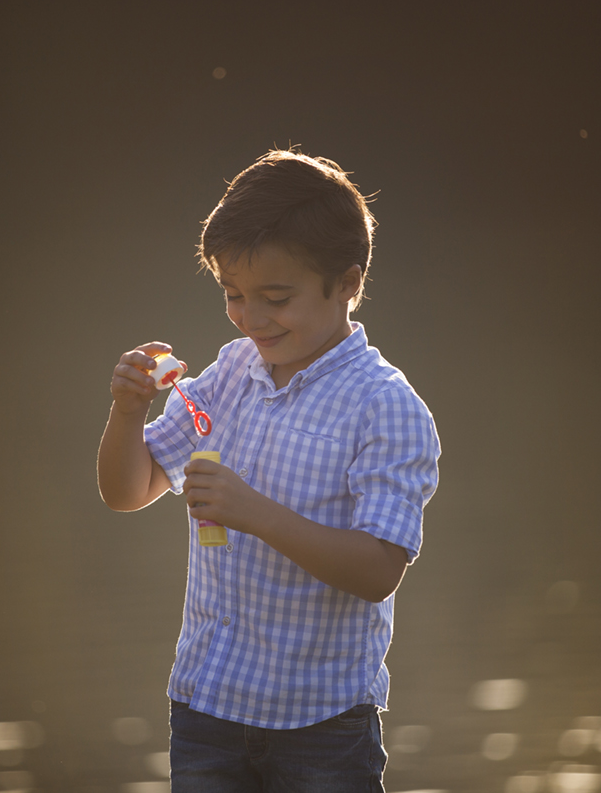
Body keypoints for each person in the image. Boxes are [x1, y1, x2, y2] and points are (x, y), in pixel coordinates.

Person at [97, 149, 441, 792]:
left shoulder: (385, 407)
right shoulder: (232, 373)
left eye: (275, 298)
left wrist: (253, 512)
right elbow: (127, 490)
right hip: (206, 709)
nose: (251, 318)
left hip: (323, 729)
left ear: (346, 283)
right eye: (233, 295)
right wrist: (126, 411)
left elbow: (377, 571)